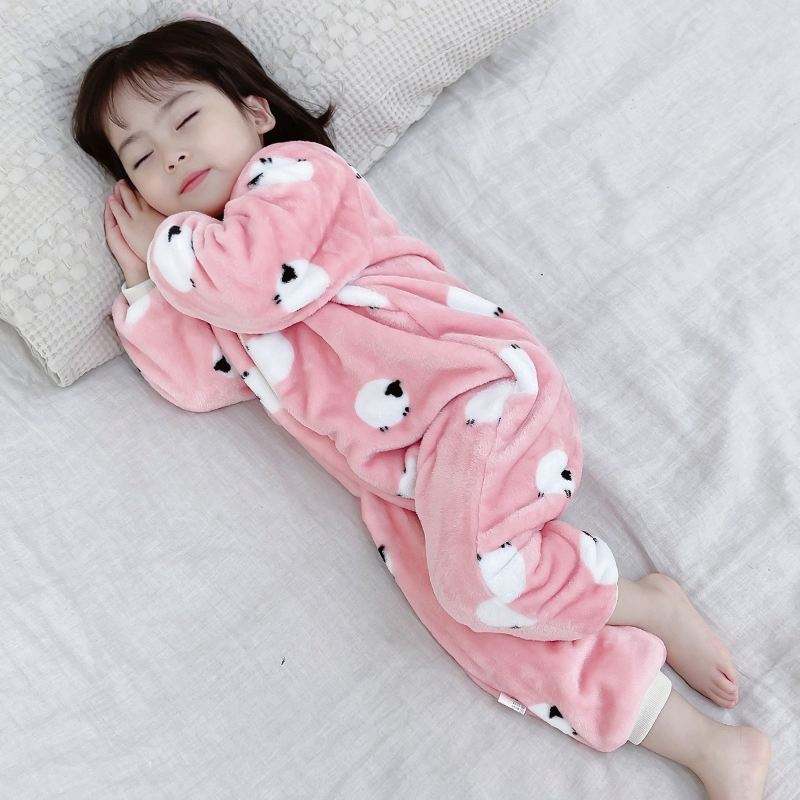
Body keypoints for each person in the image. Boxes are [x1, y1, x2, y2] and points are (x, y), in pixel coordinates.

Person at [72, 17, 771, 798]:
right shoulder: (210, 280)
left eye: (185, 119)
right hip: (398, 479)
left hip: (474, 395)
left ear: (256, 112)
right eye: (140, 157)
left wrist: (166, 249)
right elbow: (201, 381)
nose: (170, 154)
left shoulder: (296, 178)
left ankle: (636, 602)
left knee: (478, 584)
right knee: (482, 632)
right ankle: (706, 746)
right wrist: (142, 286)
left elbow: (253, 281)